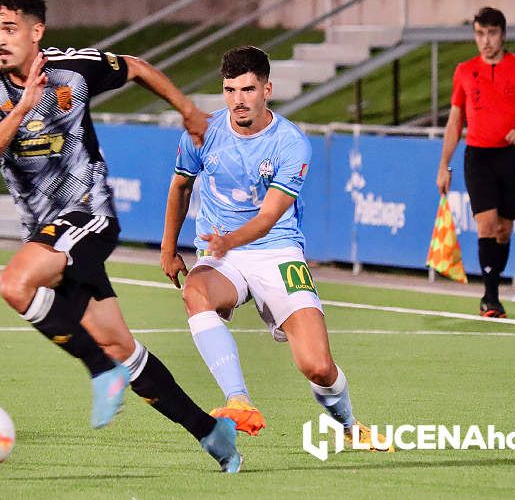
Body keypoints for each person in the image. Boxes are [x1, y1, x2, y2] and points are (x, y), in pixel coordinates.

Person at [0, 0, 241, 472]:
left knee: (15, 284)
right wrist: (24, 106)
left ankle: (99, 373)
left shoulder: (73, 68)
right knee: (119, 344)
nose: (0, 39)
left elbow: (135, 67)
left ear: (36, 31)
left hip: (88, 216)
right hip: (45, 233)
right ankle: (210, 430)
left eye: (10, 28)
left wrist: (189, 111)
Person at [161, 45, 390, 451]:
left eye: (248, 90)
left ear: (268, 89)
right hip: (222, 256)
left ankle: (352, 427)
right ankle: (239, 400)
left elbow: (268, 218)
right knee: (195, 292)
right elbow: (180, 185)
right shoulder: (203, 132)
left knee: (317, 366)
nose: (238, 101)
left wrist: (229, 239)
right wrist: (168, 248)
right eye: (230, 90)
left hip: (277, 251)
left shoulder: (290, 143)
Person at [436, 7, 515, 319]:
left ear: (503, 34)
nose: (485, 41)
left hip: (510, 157)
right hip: (478, 156)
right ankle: (491, 297)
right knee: (485, 223)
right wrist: (444, 164)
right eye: (479, 34)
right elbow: (455, 120)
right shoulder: (464, 71)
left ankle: (493, 288)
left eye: (491, 33)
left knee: (504, 229)